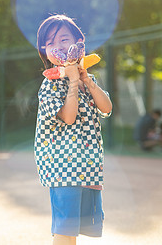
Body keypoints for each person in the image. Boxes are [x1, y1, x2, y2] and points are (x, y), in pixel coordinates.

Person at [34, 14, 112, 245]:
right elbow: (68, 117)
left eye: (64, 40)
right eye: (50, 43)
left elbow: (106, 108)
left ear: (80, 45)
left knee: (76, 230)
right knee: (65, 229)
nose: (57, 47)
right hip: (62, 166)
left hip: (87, 166)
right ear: (45, 51)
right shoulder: (49, 84)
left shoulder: (88, 79)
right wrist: (73, 82)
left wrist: (85, 79)